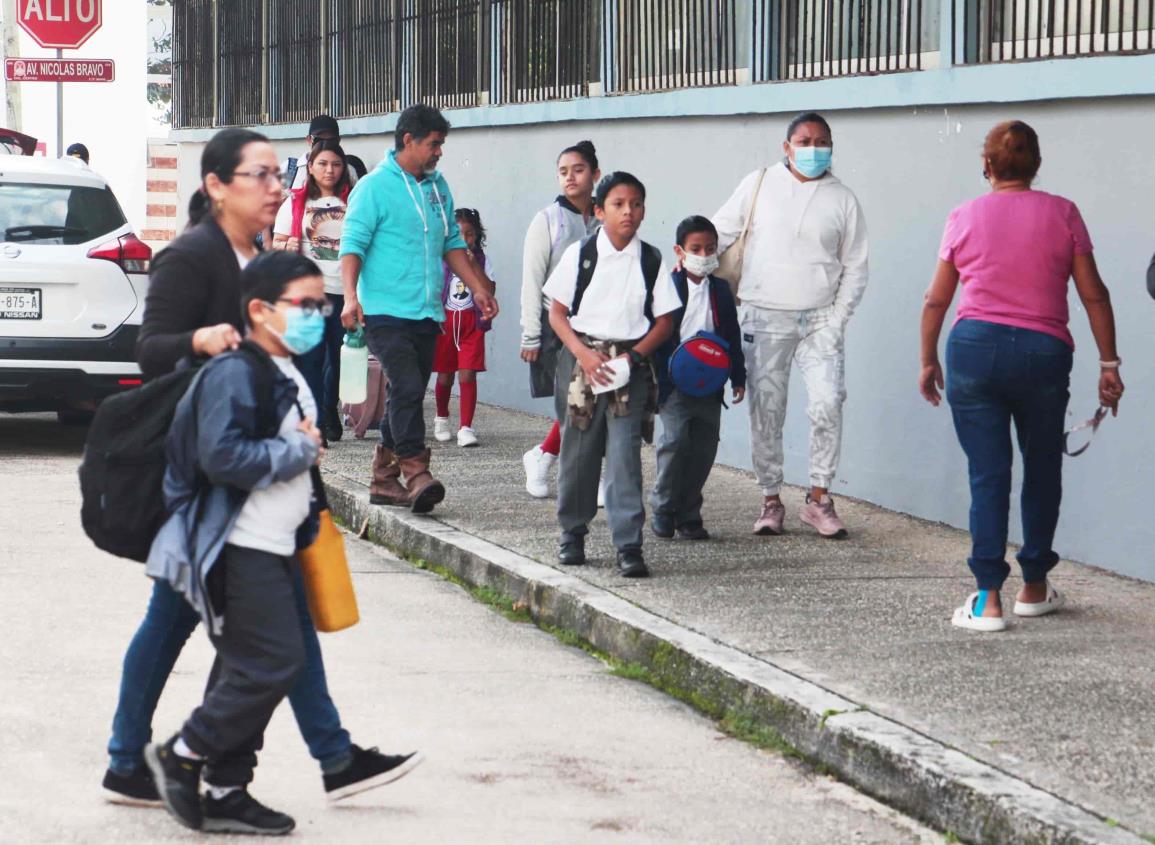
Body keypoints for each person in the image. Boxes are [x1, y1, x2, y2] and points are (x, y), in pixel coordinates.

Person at [110, 129, 417, 818]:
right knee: (189, 621)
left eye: (277, 175)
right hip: (211, 473)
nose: (276, 185)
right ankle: (138, 758)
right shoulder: (194, 255)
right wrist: (206, 339)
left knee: (274, 628)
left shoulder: (270, 256)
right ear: (217, 185)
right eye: (258, 175)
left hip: (266, 470)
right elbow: (149, 346)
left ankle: (309, 757)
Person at [144, 251, 326, 834]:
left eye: (320, 305)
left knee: (241, 665)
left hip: (274, 542)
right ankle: (187, 751)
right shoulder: (236, 372)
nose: (315, 316)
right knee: (275, 661)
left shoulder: (282, 368)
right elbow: (221, 457)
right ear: (259, 310)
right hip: (238, 545)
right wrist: (297, 452)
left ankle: (226, 788)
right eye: (304, 305)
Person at [919, 120, 1124, 632]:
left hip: (974, 351)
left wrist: (928, 359)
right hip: (1043, 353)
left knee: (988, 474)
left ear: (986, 167)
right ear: (1036, 166)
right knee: (1042, 468)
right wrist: (1109, 363)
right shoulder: (1063, 212)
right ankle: (1034, 586)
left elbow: (937, 298)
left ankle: (987, 597)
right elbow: (1093, 293)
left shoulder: (964, 215)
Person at [713, 111, 868, 539]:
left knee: (827, 403)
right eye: (804, 141)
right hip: (765, 314)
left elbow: (856, 266)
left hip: (820, 318)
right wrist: (690, 265)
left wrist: (837, 320)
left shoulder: (843, 199)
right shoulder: (759, 183)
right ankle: (770, 498)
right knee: (767, 411)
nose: (813, 149)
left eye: (822, 142)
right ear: (787, 147)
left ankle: (819, 500)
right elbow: (720, 233)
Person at [339, 104, 498, 513]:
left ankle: (383, 479)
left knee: (406, 394)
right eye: (433, 143)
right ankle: (415, 470)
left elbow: (452, 246)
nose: (439, 151)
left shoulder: (438, 188)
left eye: (441, 144)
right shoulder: (373, 188)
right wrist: (350, 297)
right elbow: (351, 246)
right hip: (384, 312)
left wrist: (479, 288)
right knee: (408, 388)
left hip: (427, 312)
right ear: (408, 140)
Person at [544, 172, 678, 578]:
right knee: (578, 453)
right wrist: (583, 354)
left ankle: (628, 544)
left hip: (628, 368)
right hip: (583, 364)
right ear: (599, 211)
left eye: (636, 204)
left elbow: (665, 319)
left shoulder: (650, 259)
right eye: (618, 204)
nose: (629, 212)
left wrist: (634, 359)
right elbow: (557, 313)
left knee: (624, 457)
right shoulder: (581, 254)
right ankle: (572, 533)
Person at [650, 216, 746, 541]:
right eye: (695, 249)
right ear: (679, 251)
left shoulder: (720, 290)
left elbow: (731, 335)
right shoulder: (667, 288)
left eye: (709, 248)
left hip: (710, 383)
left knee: (704, 449)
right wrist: (659, 385)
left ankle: (689, 514)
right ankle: (663, 509)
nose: (703, 255)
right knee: (674, 443)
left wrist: (737, 376)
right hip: (675, 383)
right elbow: (657, 337)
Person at [520, 140, 601, 498]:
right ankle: (559, 463)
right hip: (557, 323)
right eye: (563, 172)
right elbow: (532, 280)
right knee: (572, 401)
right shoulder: (547, 220)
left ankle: (544, 455)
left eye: (578, 170)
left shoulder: (605, 216)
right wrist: (530, 335)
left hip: (599, 324)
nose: (570, 178)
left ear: (595, 174)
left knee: (591, 400)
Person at [273, 138, 352, 443]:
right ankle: (314, 421)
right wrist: (287, 245)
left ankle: (329, 407)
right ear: (311, 167)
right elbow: (276, 243)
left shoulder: (353, 202)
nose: (329, 170)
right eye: (322, 163)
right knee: (310, 358)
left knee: (339, 357)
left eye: (335, 164)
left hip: (344, 291)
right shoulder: (295, 202)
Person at [433, 207, 495, 448]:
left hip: (471, 323)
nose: (464, 240)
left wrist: (474, 266)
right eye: (459, 234)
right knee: (445, 375)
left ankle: (466, 427)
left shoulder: (482, 260)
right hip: (446, 322)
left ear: (477, 235)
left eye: (469, 234)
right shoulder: (442, 257)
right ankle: (441, 418)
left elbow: (489, 290)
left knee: (468, 372)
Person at [281, 114, 358, 191]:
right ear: (309, 140)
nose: (325, 145)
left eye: (331, 141)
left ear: (338, 141)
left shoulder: (349, 171)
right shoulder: (290, 169)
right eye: (319, 140)